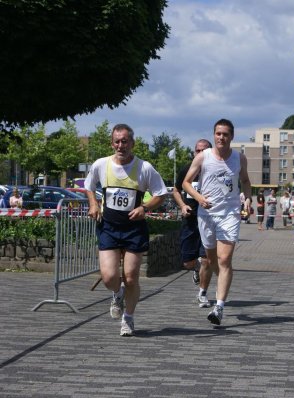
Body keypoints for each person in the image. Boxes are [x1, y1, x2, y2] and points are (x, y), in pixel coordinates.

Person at [85, 123, 167, 336]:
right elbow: (88, 185)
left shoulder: (144, 168)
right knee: (109, 277)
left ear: (133, 143)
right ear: (112, 143)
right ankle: (117, 292)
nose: (121, 145)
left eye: (125, 141)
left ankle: (128, 318)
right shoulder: (101, 165)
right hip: (109, 227)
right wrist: (93, 204)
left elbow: (161, 193)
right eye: (117, 141)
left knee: (131, 277)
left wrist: (145, 207)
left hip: (134, 229)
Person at [182, 118, 251, 326]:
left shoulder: (239, 158)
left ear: (232, 137)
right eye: (218, 134)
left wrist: (247, 199)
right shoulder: (203, 157)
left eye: (226, 134)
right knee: (211, 260)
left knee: (224, 260)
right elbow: (186, 183)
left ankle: (219, 306)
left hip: (229, 214)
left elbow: (246, 181)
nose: (222, 137)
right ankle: (214, 285)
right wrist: (199, 197)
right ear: (214, 135)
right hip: (207, 215)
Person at [173, 138, 216, 308]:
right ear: (194, 153)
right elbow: (176, 190)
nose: (201, 154)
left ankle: (202, 293)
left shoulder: (216, 170)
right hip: (190, 221)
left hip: (209, 220)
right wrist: (183, 205)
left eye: (204, 150)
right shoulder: (187, 169)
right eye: (198, 151)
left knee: (207, 260)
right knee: (188, 262)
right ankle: (196, 269)